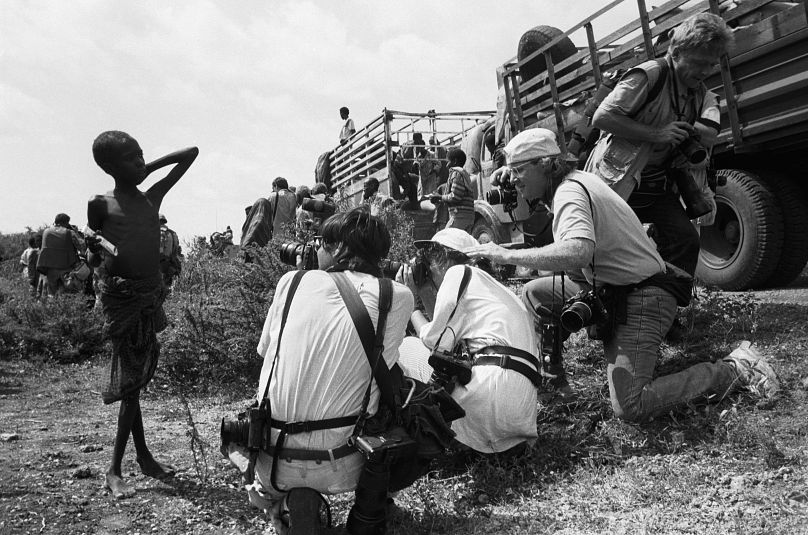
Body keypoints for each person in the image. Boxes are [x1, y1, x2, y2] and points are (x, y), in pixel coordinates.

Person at [465, 129, 779, 424]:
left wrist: (506, 255)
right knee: (536, 293)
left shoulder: (569, 194)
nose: (514, 180)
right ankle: (553, 381)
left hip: (643, 296)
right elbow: (574, 254)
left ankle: (735, 369)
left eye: (519, 170)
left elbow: (577, 252)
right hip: (618, 288)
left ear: (545, 164)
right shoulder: (575, 181)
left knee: (632, 405)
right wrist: (514, 174)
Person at [225, 208, 413, 533]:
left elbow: (264, 353)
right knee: (404, 375)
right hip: (348, 466)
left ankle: (272, 500)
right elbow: (383, 367)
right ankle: (380, 498)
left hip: (274, 461)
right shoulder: (395, 294)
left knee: (236, 430)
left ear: (338, 248)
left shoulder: (291, 281)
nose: (317, 250)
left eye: (322, 243)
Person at [87, 130, 198, 499]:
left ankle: (145, 457)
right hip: (121, 299)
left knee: (136, 382)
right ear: (109, 167)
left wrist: (145, 169)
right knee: (132, 385)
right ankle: (114, 469)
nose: (138, 162)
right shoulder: (100, 203)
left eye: (141, 155)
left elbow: (190, 152)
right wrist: (96, 246)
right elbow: (95, 249)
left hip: (149, 297)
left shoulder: (153, 196)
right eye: (130, 158)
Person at [586, 12, 732, 276]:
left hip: (655, 184)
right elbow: (602, 117)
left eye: (710, 65)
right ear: (675, 52)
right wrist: (657, 134)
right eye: (698, 62)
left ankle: (667, 308)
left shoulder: (697, 93)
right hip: (617, 183)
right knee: (612, 249)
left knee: (685, 240)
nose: (704, 71)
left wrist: (679, 152)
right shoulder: (650, 75)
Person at [396, 229, 539, 454]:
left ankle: (425, 439)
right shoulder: (490, 287)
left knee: (406, 347)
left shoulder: (458, 273)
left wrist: (411, 304)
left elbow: (434, 343)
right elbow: (446, 346)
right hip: (519, 417)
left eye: (430, 257)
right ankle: (489, 443)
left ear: (446, 258)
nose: (427, 265)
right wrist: (424, 290)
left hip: (490, 403)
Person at [36, 213, 85, 297]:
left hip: (50, 269)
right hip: (67, 268)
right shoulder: (70, 232)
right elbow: (82, 246)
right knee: (70, 294)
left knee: (51, 295)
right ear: (66, 223)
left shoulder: (46, 232)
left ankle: (52, 309)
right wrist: (76, 232)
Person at [430, 148, 474, 232]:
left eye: (448, 161)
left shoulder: (456, 174)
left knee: (446, 240)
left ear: (455, 161)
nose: (446, 165)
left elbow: (455, 197)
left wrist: (440, 197)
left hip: (459, 216)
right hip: (468, 216)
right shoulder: (464, 174)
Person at [158, 214, 182, 287]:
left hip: (162, 263)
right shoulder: (173, 233)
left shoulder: (160, 232)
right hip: (172, 262)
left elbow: (160, 250)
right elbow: (177, 249)